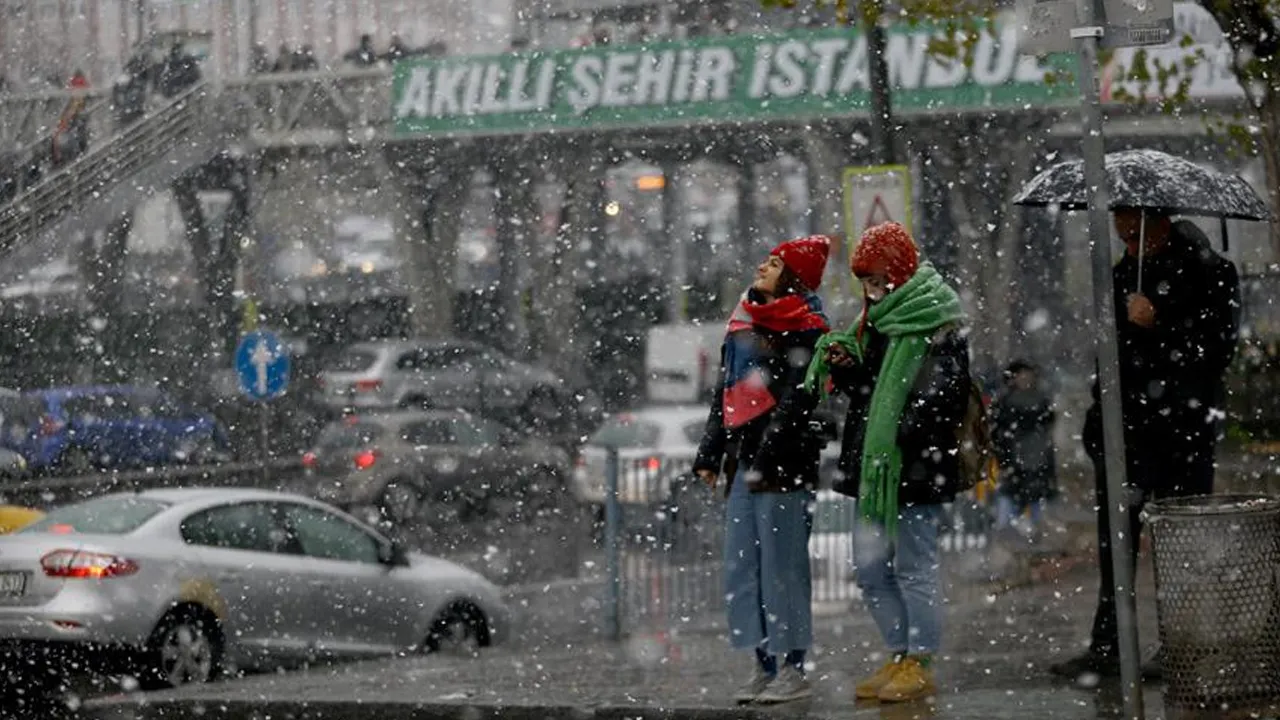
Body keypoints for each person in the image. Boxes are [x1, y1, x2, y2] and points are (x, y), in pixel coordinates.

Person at [1050, 210, 1241, 682]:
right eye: (1121, 233)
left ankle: (1181, 643)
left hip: (1182, 431)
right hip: (1126, 433)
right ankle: (1109, 645)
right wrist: (1099, 423)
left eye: (1136, 233)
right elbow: (1111, 355)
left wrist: (1158, 323)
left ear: (1161, 223)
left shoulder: (1210, 271)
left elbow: (1215, 351)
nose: (1128, 242)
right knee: (1115, 542)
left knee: (1178, 546)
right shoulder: (1120, 274)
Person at [804, 222, 968, 703]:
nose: (872, 291)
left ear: (898, 271)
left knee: (915, 565)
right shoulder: (874, 323)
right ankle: (899, 654)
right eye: (865, 282)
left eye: (878, 279)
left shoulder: (938, 320)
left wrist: (900, 429)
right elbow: (867, 394)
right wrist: (847, 368)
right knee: (870, 567)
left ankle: (921, 659)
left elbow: (945, 398)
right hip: (874, 466)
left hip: (915, 466)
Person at [693, 235, 832, 705]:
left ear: (793, 276)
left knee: (782, 567)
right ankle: (762, 662)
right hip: (744, 462)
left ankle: (793, 664)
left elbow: (801, 396)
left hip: (784, 466)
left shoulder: (808, 328)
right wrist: (710, 453)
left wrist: (770, 445)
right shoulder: (743, 322)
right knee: (742, 566)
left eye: (774, 263)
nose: (762, 267)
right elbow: (725, 394)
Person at [991, 359, 1057, 539]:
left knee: (1030, 507)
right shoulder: (1008, 402)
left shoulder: (1036, 400)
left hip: (1033, 462)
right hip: (1017, 462)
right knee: (1011, 507)